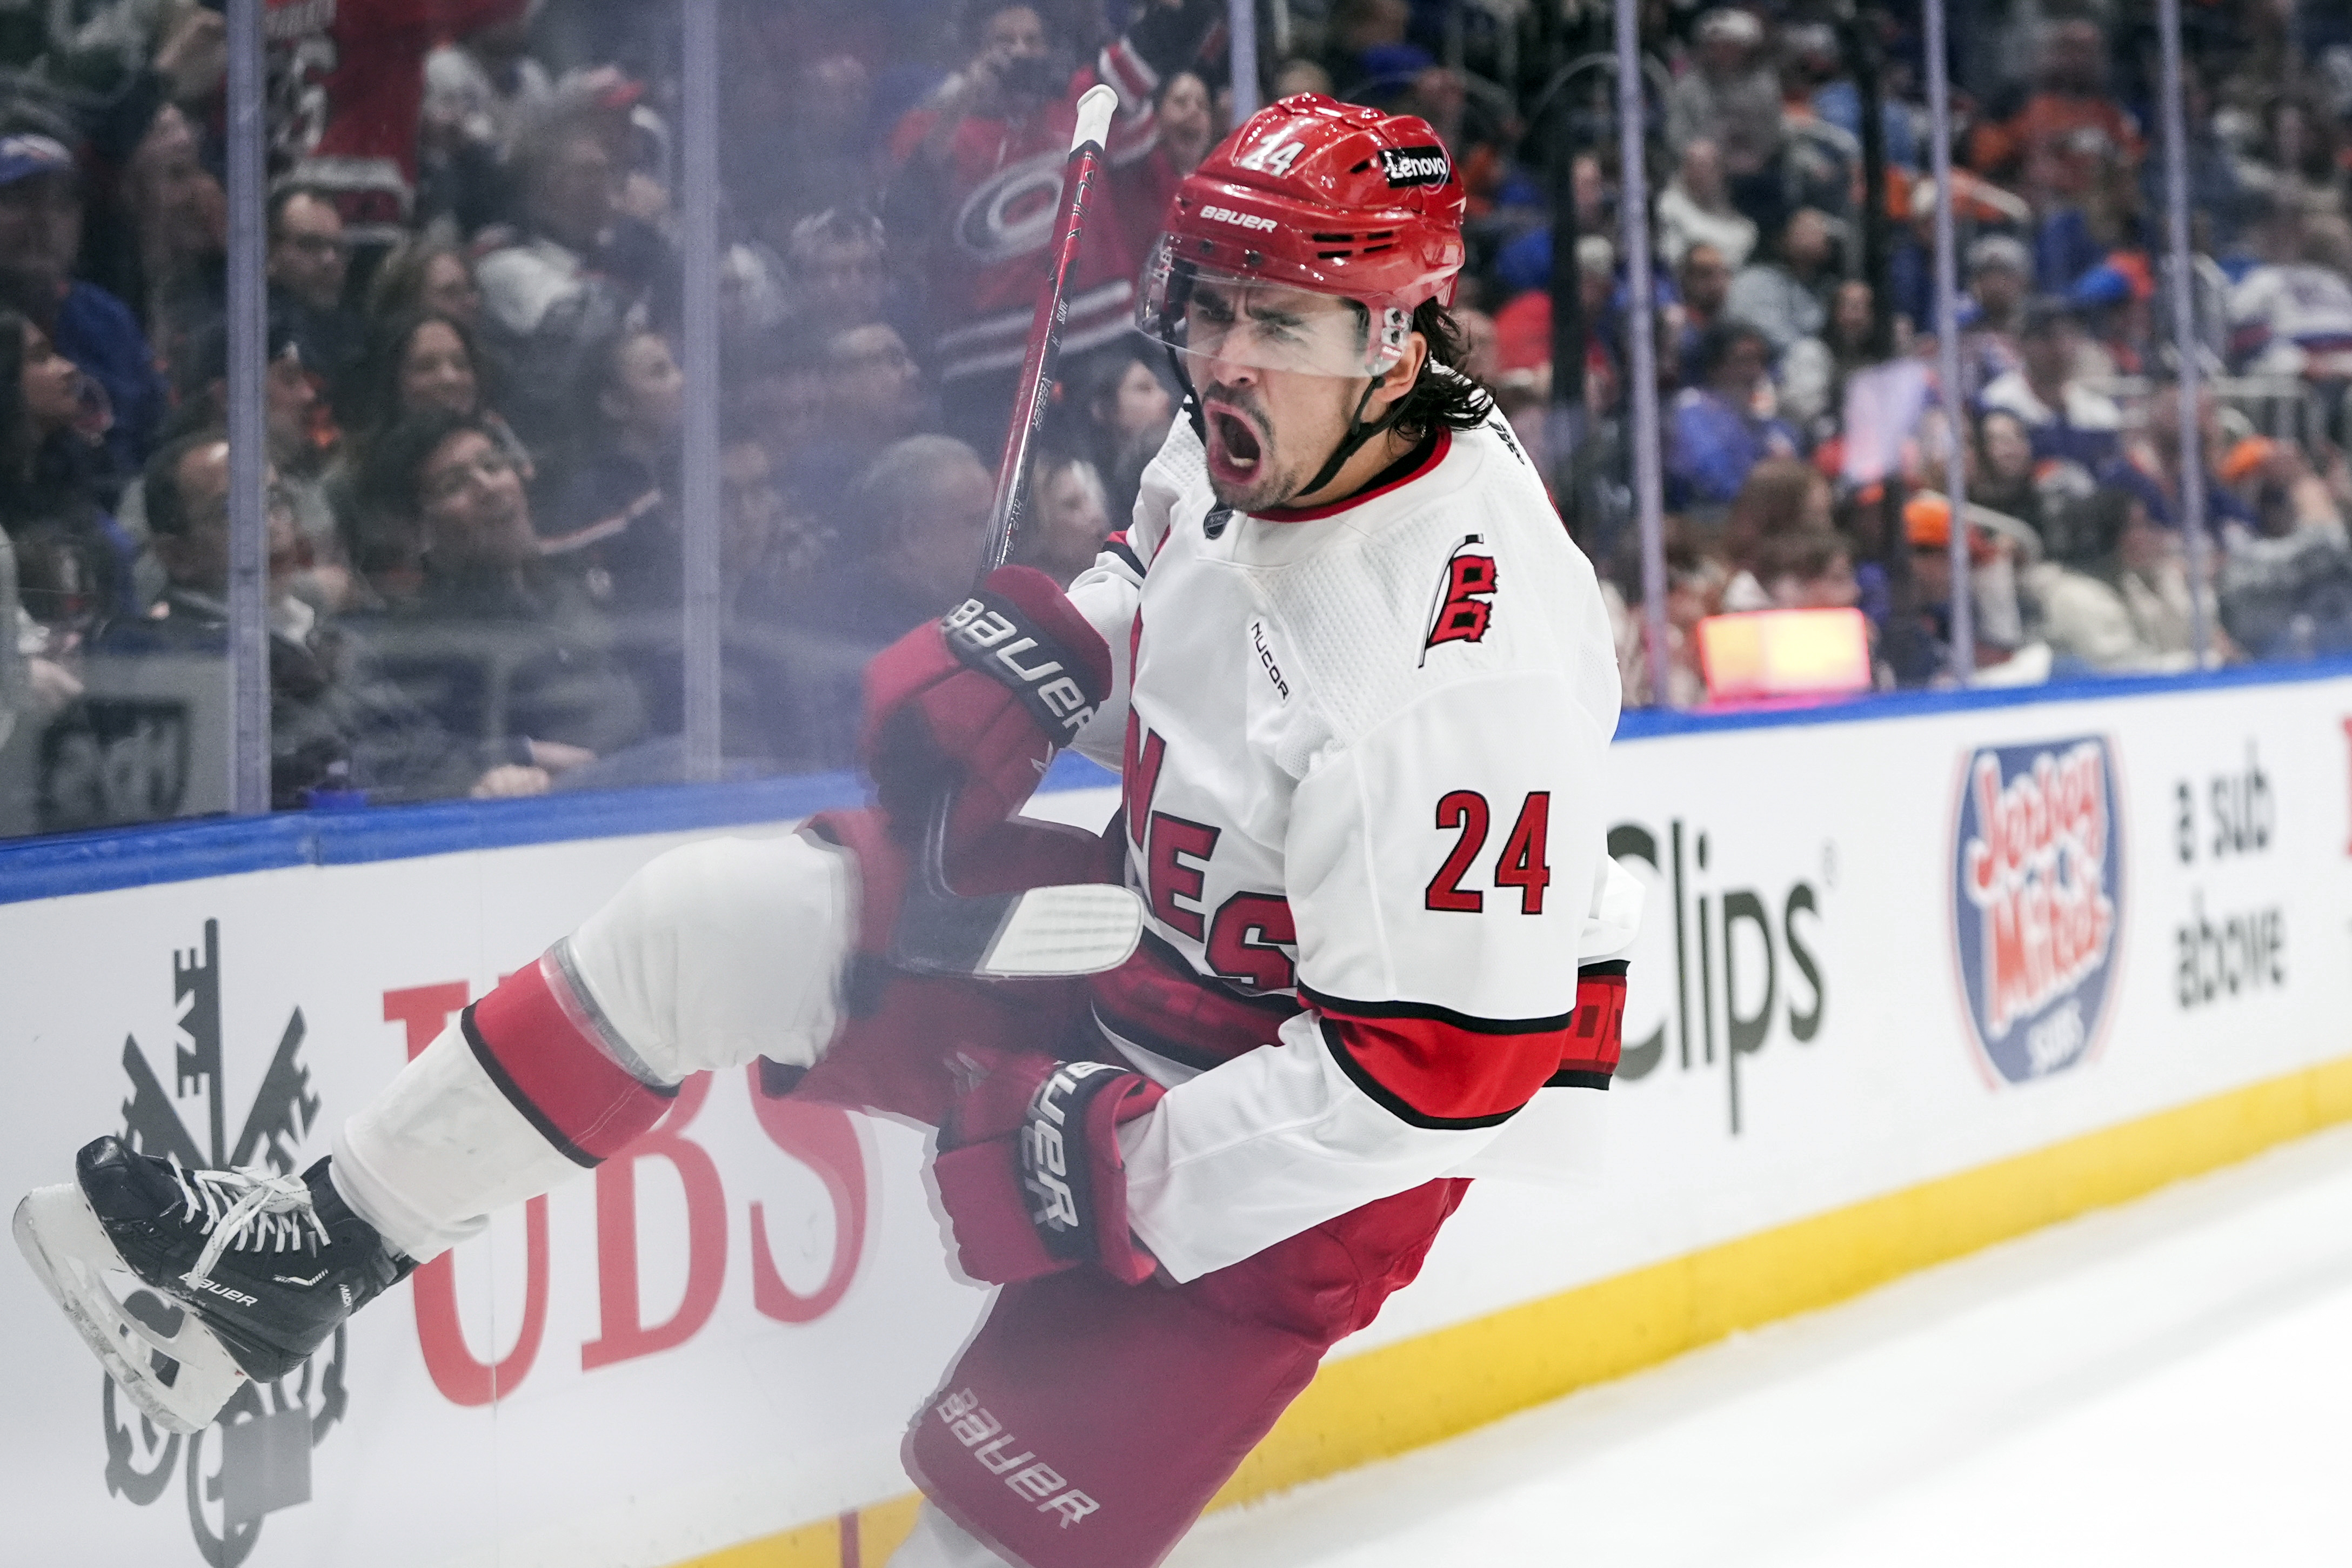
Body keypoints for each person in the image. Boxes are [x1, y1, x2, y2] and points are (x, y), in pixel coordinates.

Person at [16, 96, 1639, 1568]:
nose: (1218, 354)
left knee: (982, 1532)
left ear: (1396, 328)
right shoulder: (1265, 421)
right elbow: (1164, 572)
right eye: (1205, 306)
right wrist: (1054, 661)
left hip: (1294, 1152)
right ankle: (285, 1267)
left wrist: (1131, 1174)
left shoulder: (1460, 654)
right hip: (1147, 955)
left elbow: (1428, 1080)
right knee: (705, 926)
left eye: (1271, 320)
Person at [0, 120, 169, 479]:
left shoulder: (107, 318)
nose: (44, 220)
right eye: (18, 200)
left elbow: (154, 439)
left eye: (62, 204)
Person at [1667, 318, 1799, 510]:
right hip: (1705, 518)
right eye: (1743, 361)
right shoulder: (1691, 408)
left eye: (1760, 361)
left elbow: (1793, 453)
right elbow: (1714, 480)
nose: (1754, 372)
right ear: (1715, 367)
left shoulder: (1758, 415)